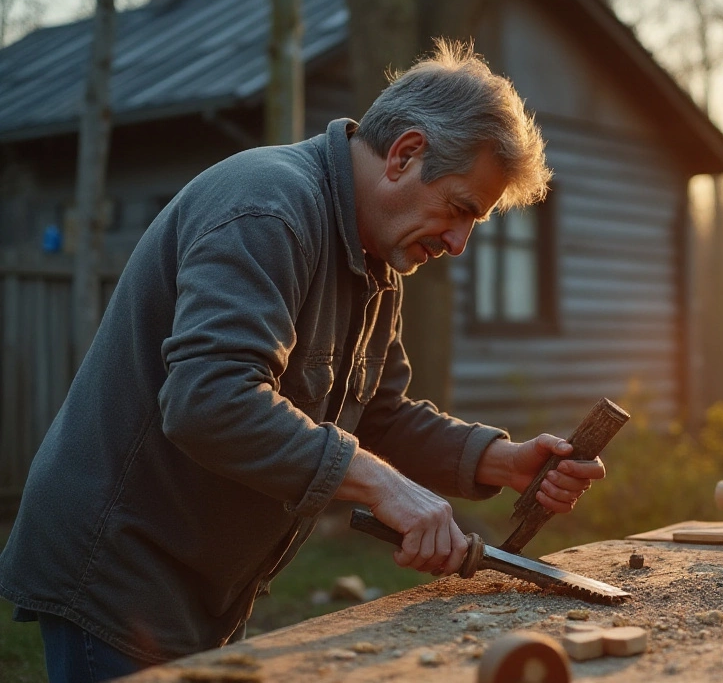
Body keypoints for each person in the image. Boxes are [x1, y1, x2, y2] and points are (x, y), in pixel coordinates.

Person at [0, 41, 605, 682]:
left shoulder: (377, 259)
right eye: (460, 209)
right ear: (405, 154)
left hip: (205, 577)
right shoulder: (267, 209)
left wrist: (502, 461)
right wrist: (384, 486)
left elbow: (378, 416)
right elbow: (208, 399)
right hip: (121, 572)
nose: (459, 243)